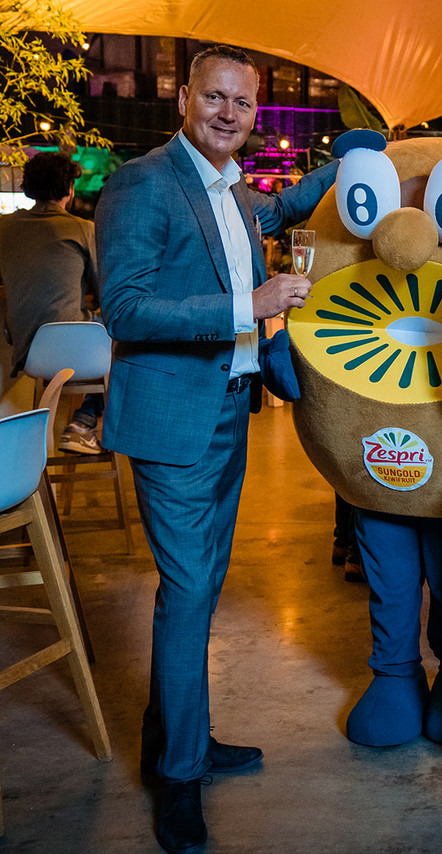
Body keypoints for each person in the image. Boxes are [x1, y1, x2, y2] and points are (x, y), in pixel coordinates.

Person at [95, 45, 337, 853]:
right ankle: (179, 777)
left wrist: (353, 165)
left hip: (229, 410)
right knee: (189, 590)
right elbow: (125, 309)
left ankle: (176, 738)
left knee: (202, 588)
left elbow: (277, 211)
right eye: (214, 97)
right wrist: (250, 305)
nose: (228, 113)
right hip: (174, 419)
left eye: (243, 102)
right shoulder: (143, 182)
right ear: (184, 99)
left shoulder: (233, 190)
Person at [0, 151, 103, 453]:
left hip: (26, 352)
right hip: (74, 351)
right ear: (69, 188)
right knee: (127, 335)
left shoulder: (3, 226)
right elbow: (106, 292)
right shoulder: (83, 228)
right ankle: (83, 423)